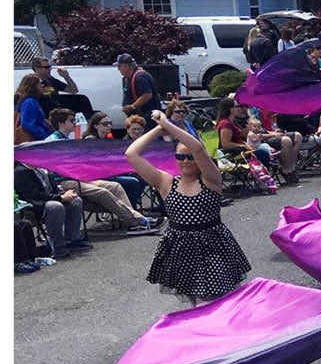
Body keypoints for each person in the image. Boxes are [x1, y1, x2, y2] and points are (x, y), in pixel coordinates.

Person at [125, 111, 251, 304]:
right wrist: (160, 128)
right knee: (195, 302)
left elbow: (197, 147)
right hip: (181, 248)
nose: (185, 161)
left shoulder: (210, 179)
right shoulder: (166, 182)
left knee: (220, 299)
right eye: (180, 156)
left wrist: (169, 125)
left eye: (189, 157)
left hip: (212, 245)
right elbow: (131, 154)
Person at [42, 109, 155, 233]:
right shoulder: (53, 141)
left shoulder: (67, 138)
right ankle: (136, 221)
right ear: (61, 123)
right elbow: (56, 167)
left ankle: (133, 219)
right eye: (72, 121)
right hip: (63, 181)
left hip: (79, 177)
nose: (75, 123)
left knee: (116, 186)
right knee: (103, 192)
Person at [14, 162, 90, 259]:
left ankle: (71, 240)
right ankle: (58, 246)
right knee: (55, 206)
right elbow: (34, 195)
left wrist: (64, 194)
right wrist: (61, 197)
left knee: (76, 201)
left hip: (51, 199)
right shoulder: (21, 172)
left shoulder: (40, 168)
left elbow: (54, 188)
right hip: (36, 206)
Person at [29, 57, 94, 120]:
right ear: (37, 68)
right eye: (46, 67)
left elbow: (74, 90)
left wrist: (66, 77)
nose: (49, 69)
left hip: (57, 110)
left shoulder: (51, 80)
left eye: (50, 67)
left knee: (83, 100)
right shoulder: (32, 81)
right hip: (44, 112)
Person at [116, 54, 160, 131]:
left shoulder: (140, 77)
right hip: (141, 117)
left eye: (119, 67)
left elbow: (147, 95)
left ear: (127, 66)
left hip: (147, 117)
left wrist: (132, 106)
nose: (118, 69)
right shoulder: (131, 77)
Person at [14, 75, 51, 142]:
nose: (42, 86)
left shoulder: (27, 101)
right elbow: (27, 124)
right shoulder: (30, 102)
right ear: (34, 87)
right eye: (39, 84)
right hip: (33, 141)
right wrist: (44, 137)